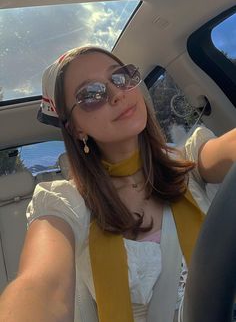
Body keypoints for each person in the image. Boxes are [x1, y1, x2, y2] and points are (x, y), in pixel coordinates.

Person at [0, 46, 235, 322]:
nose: (116, 93)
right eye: (90, 95)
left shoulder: (189, 162)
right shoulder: (63, 203)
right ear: (76, 128)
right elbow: (42, 287)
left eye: (121, 77)